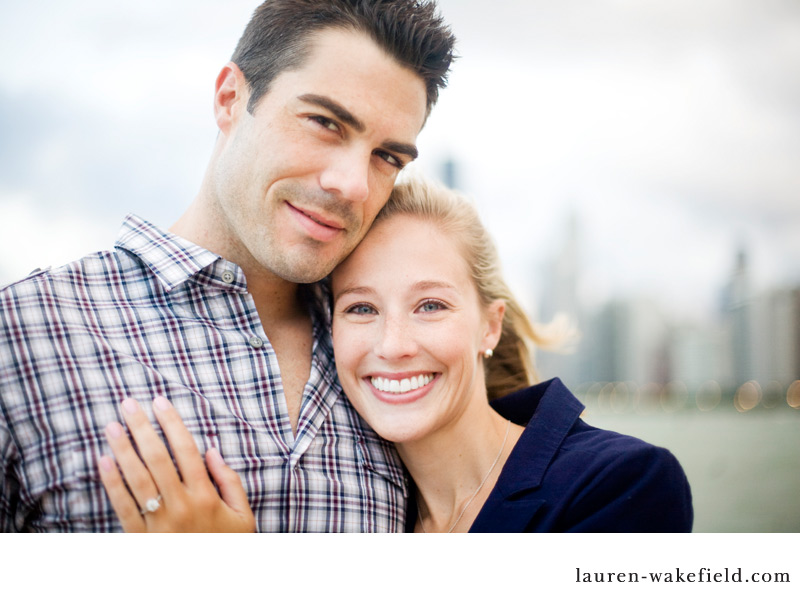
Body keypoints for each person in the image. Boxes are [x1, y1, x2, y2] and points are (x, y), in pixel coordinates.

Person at [0, 0, 456, 532]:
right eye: (325, 123)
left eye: (388, 158)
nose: (354, 185)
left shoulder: (402, 364)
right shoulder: (24, 334)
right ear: (230, 99)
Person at [100, 177, 693, 532]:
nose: (393, 346)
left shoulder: (622, 485)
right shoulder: (365, 512)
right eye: (360, 309)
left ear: (489, 326)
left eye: (430, 305)